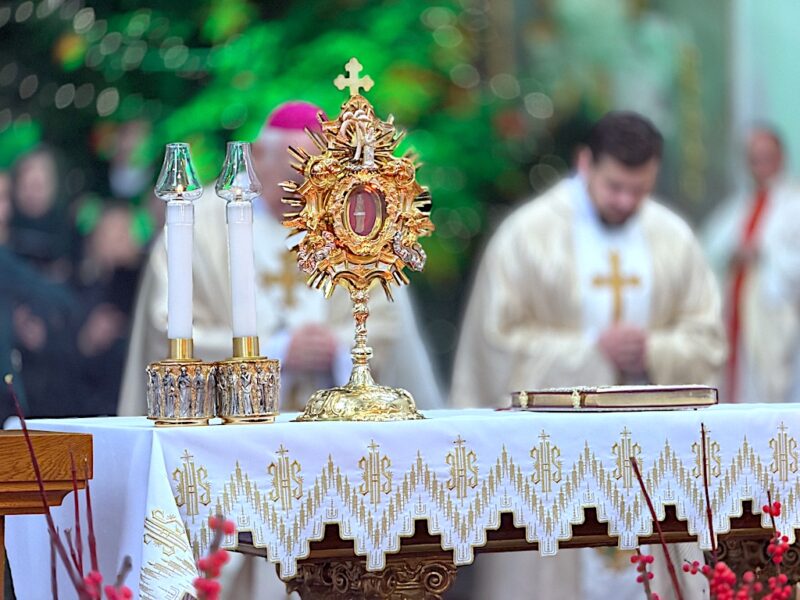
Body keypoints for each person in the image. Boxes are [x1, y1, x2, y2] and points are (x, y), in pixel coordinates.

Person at [119, 101, 443, 599]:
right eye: (291, 171)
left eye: (311, 174)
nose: (300, 188)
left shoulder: (345, 219)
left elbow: (387, 320)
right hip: (231, 456)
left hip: (332, 460)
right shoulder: (199, 224)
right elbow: (170, 329)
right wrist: (274, 351)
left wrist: (340, 351)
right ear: (256, 158)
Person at [451, 112, 725, 599]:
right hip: (552, 465)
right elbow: (492, 348)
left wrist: (653, 350)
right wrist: (591, 353)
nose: (625, 202)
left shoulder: (672, 238)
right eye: (614, 186)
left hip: (652, 463)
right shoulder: (527, 236)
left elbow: (709, 342)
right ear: (584, 163)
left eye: (638, 191)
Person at [702, 127, 800, 403]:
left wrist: (764, 252)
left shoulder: (795, 203)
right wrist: (731, 254)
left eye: (767, 157)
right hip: (737, 310)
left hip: (775, 314)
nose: (761, 166)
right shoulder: (740, 205)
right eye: (754, 159)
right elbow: (710, 247)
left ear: (781, 157)